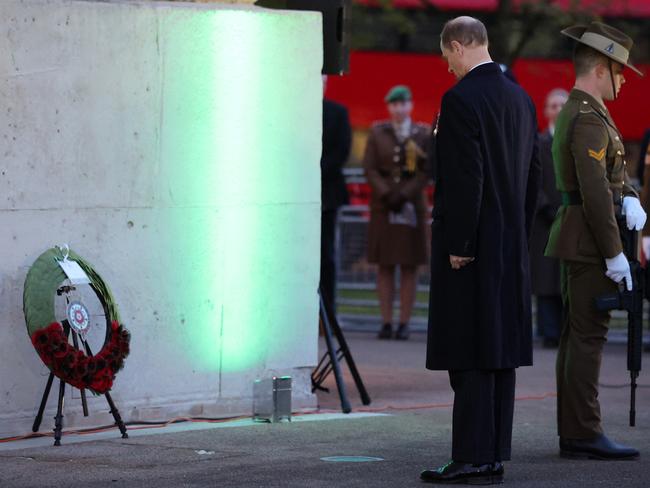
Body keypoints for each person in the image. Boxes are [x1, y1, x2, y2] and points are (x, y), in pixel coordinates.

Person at [422, 17, 540, 484]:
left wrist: (461, 244)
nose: (446, 65)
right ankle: (493, 455)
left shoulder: (460, 100)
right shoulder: (521, 98)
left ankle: (470, 455)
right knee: (499, 354)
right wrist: (518, 234)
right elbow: (534, 175)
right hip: (510, 247)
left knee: (468, 352)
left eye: (446, 55)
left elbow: (464, 179)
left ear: (458, 45)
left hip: (471, 248)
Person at [545, 21, 645, 460]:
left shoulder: (588, 111)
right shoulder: (586, 115)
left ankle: (577, 430)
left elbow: (610, 182)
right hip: (589, 243)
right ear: (601, 69)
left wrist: (631, 197)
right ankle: (583, 431)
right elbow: (594, 194)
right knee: (588, 337)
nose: (624, 79)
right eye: (620, 71)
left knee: (578, 337)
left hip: (582, 239)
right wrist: (615, 253)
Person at [362, 85, 430, 341]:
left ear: (410, 105)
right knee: (385, 265)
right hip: (384, 206)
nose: (398, 108)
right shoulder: (378, 132)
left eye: (403, 103)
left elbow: (426, 170)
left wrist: (405, 193)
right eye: (393, 104)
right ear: (388, 107)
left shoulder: (421, 133)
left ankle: (404, 322)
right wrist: (387, 193)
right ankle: (386, 321)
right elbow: (369, 168)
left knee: (410, 265)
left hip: (412, 205)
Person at [530, 89, 568, 348]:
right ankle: (549, 331)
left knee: (567, 278)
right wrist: (547, 209)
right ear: (545, 111)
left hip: (572, 221)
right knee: (545, 279)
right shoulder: (537, 142)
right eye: (552, 105)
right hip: (544, 222)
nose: (557, 110)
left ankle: (568, 330)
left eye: (561, 105)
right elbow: (531, 181)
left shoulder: (578, 143)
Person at [320, 75, 351, 310]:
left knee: (326, 254)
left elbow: (341, 151)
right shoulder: (296, 114)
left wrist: (316, 172)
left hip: (328, 194)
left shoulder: (337, 112)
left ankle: (327, 311)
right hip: (301, 192)